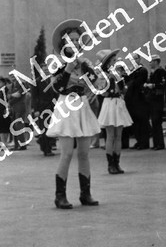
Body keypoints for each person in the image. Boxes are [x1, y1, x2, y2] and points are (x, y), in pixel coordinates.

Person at [46, 19, 100, 209]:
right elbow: (58, 87)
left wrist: (86, 68)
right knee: (67, 153)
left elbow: (95, 83)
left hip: (82, 104)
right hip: (66, 105)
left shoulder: (83, 61)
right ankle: (59, 196)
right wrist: (69, 66)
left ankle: (86, 194)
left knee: (84, 153)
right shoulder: (57, 62)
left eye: (78, 40)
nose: (76, 43)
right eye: (72, 40)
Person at [96, 49, 132, 174]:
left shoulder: (118, 75)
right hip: (110, 102)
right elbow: (102, 90)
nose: (115, 62)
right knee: (110, 135)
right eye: (113, 60)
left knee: (119, 136)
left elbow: (123, 90)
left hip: (118, 103)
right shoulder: (104, 75)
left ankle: (117, 163)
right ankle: (110, 164)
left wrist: (120, 81)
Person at [124, 53, 150, 149]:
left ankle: (144, 142)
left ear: (139, 59)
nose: (133, 61)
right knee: (135, 122)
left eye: (135, 59)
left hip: (140, 100)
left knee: (142, 122)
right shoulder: (132, 71)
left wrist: (129, 78)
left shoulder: (142, 70)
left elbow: (136, 83)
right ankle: (139, 141)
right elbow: (126, 81)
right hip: (132, 100)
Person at [144, 55, 166, 150]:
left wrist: (153, 85)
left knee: (157, 121)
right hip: (152, 99)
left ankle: (160, 144)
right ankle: (155, 143)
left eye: (151, 61)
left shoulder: (161, 71)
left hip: (158, 99)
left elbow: (164, 83)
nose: (150, 63)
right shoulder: (152, 72)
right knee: (154, 122)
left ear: (156, 62)